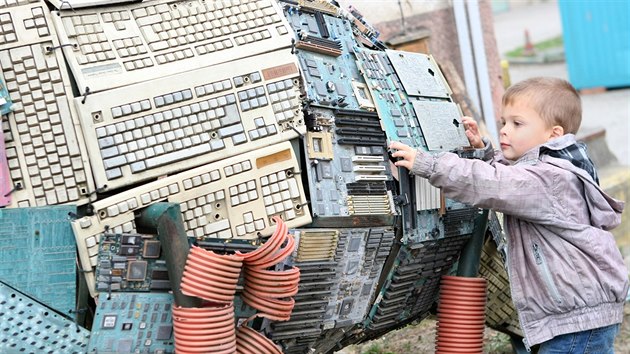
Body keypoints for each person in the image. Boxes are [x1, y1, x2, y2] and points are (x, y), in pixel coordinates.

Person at [390, 77, 628, 353]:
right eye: (504, 122)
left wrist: (428, 164)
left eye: (517, 124)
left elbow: (494, 184)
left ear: (554, 134)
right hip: (578, 312)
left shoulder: (549, 179)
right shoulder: (554, 168)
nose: (504, 131)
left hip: (577, 320)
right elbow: (510, 177)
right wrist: (484, 150)